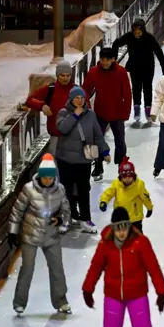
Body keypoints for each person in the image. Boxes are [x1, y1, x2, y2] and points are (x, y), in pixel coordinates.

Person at [8, 154, 72, 316]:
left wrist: (60, 219)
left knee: (57, 269)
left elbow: (66, 212)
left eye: (51, 178)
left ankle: (61, 301)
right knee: (27, 268)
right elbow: (17, 211)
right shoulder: (29, 190)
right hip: (31, 235)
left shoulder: (60, 190)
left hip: (51, 236)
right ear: (40, 176)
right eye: (45, 178)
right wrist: (13, 232)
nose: (47, 181)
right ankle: (19, 302)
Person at [55, 87, 110, 233]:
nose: (79, 101)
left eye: (82, 98)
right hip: (65, 160)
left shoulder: (91, 115)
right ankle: (68, 217)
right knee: (66, 190)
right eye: (76, 98)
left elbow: (98, 134)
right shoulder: (63, 113)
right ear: (71, 99)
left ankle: (85, 219)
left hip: (83, 160)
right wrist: (74, 115)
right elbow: (62, 129)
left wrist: (105, 151)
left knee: (83, 190)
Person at [83, 47, 131, 181]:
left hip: (117, 112)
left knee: (120, 141)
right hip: (100, 112)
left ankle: (122, 166)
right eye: (102, 59)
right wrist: (86, 109)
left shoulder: (121, 72)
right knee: (97, 140)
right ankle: (98, 165)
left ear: (113, 60)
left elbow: (127, 93)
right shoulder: (94, 72)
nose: (104, 62)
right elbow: (85, 90)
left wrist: (125, 112)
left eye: (107, 60)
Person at [113, 18, 164, 128]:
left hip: (148, 67)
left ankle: (148, 109)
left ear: (143, 29)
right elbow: (116, 43)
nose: (137, 32)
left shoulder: (149, 38)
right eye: (135, 29)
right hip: (134, 67)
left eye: (139, 29)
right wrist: (114, 58)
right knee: (136, 87)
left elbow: (158, 51)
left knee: (147, 87)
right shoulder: (129, 37)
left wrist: (163, 65)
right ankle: (137, 108)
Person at [25, 61, 75, 150]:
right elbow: (30, 100)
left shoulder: (77, 91)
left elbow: (88, 112)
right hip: (55, 136)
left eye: (68, 75)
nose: (65, 78)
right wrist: (42, 105)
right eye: (62, 75)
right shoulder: (50, 89)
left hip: (74, 137)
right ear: (57, 75)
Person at [98, 157, 153, 233]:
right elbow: (108, 193)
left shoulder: (139, 185)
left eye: (129, 176)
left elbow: (146, 198)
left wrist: (149, 208)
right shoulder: (116, 184)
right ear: (121, 177)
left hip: (135, 219)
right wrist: (103, 201)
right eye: (124, 177)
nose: (127, 179)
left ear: (133, 176)